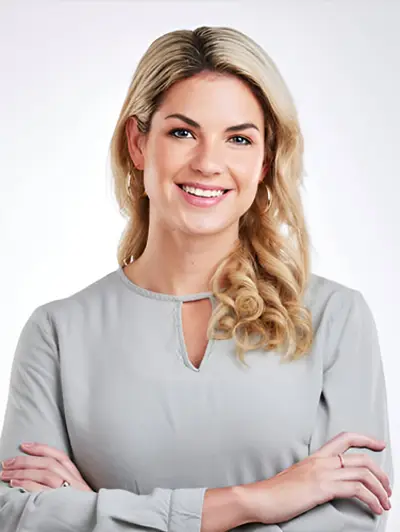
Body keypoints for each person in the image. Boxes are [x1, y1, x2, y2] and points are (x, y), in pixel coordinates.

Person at [0, 25, 393, 532]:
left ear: (265, 160)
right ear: (138, 144)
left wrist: (96, 510)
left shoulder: (335, 319)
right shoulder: (57, 332)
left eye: (238, 139)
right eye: (183, 133)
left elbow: (351, 525)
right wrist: (255, 501)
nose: (208, 163)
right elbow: (19, 519)